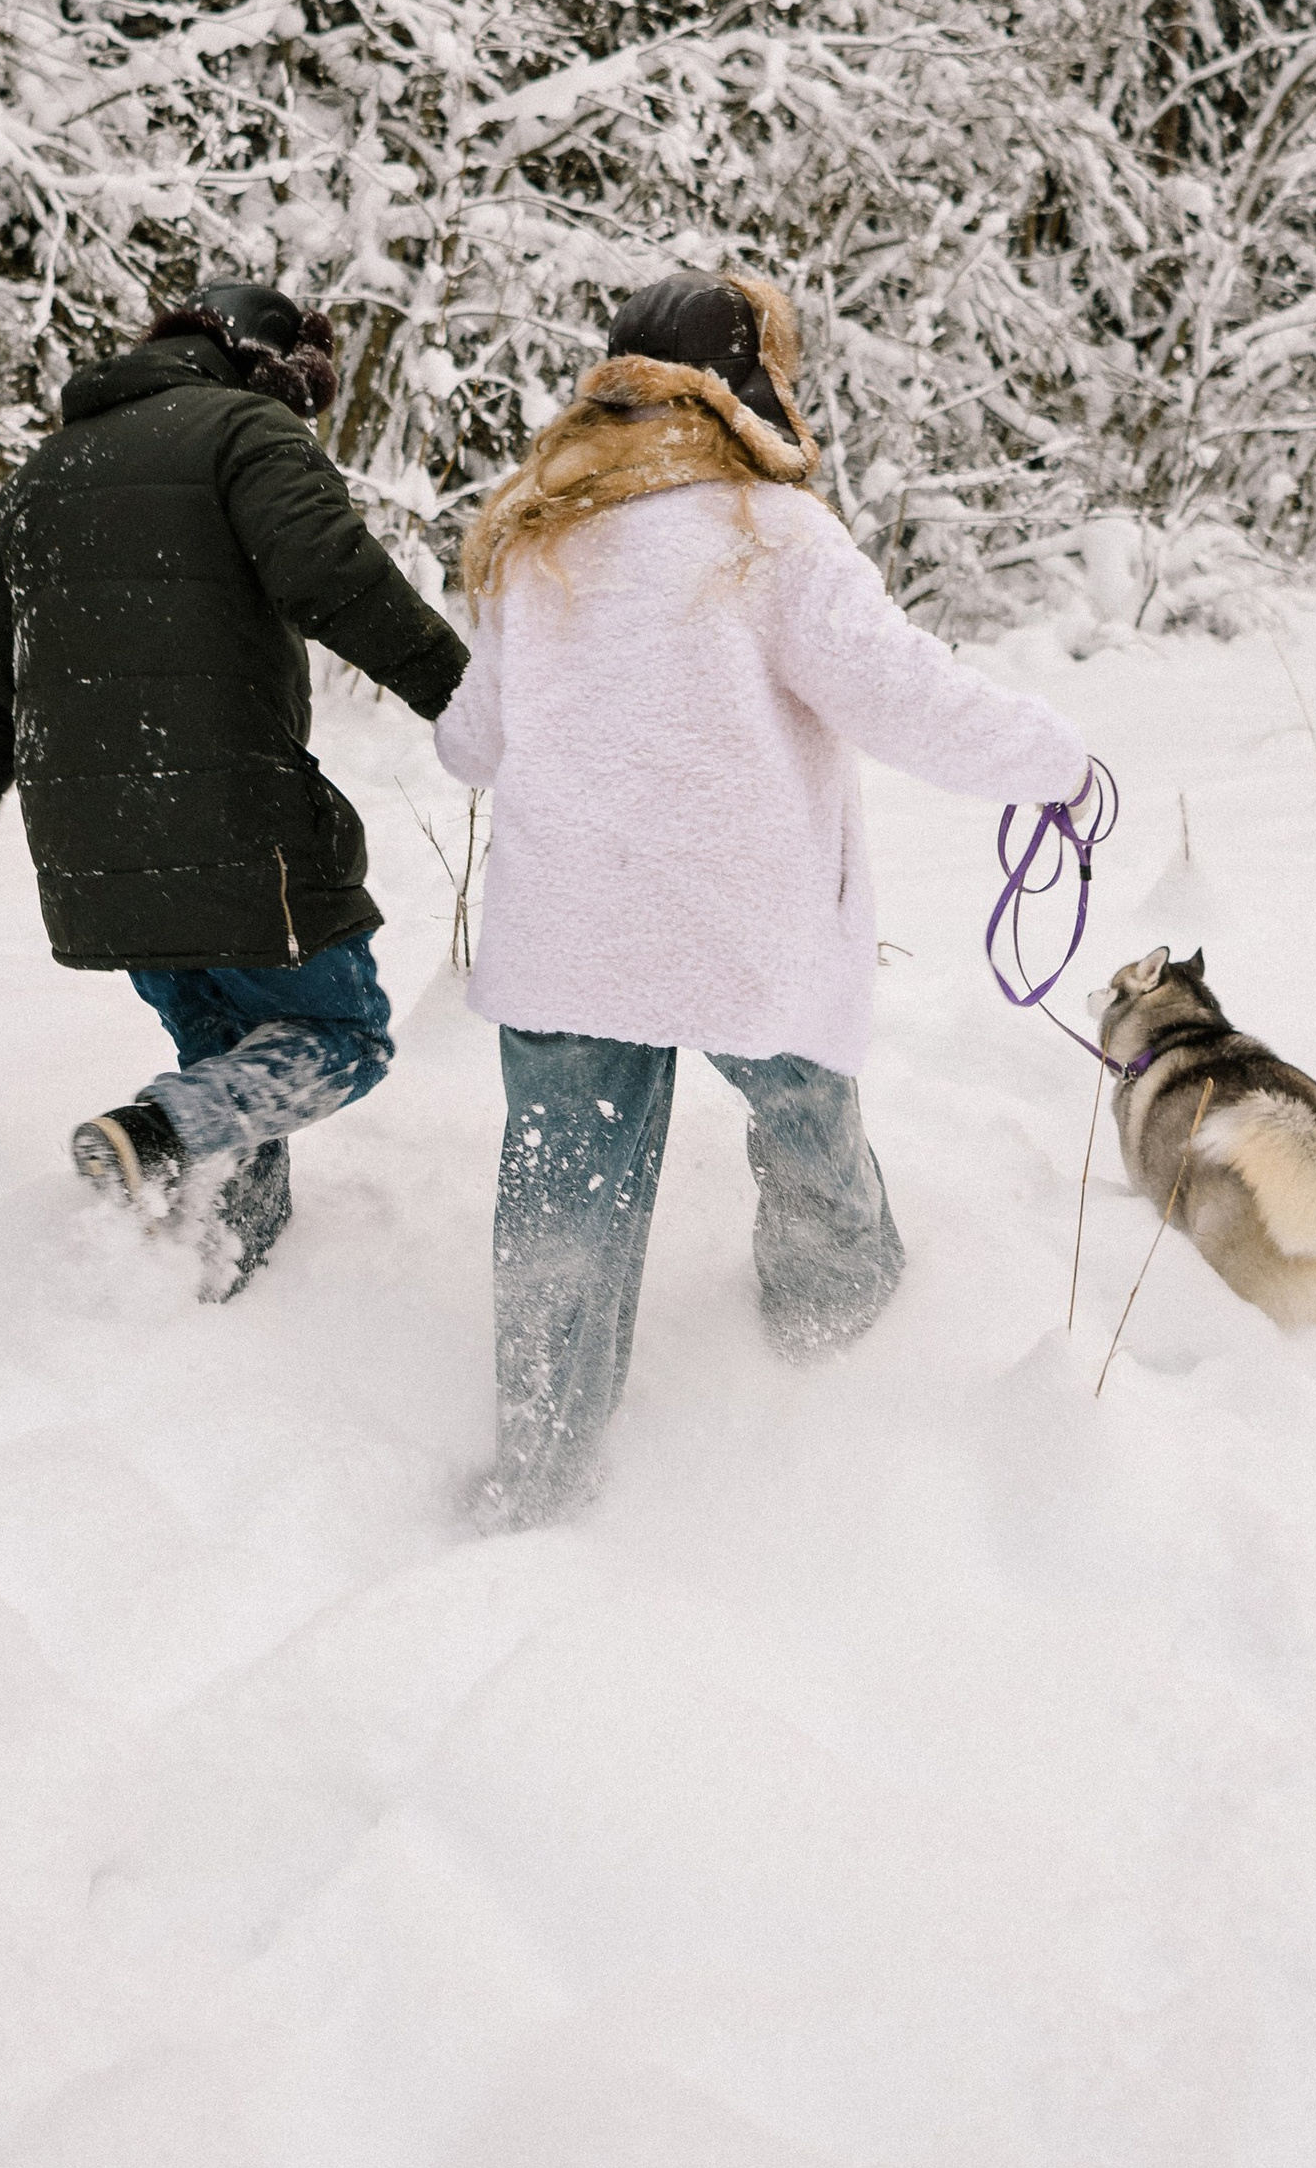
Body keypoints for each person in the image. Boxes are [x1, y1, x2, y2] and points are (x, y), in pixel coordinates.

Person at [432, 270, 1092, 1526]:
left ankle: (538, 1473)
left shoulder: (539, 536)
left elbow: (473, 743)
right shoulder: (770, 534)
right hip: (743, 931)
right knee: (806, 1134)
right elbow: (901, 695)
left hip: (570, 931)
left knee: (563, 1201)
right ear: (745, 388)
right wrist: (1052, 760)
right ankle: (831, 1337)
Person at [0, 275, 466, 1296]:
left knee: (233, 1062)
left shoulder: (44, 473)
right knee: (340, 1037)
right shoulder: (243, 430)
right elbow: (333, 574)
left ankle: (214, 1278)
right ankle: (155, 1131)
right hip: (235, 831)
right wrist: (470, 704)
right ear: (267, 363)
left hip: (95, 857)